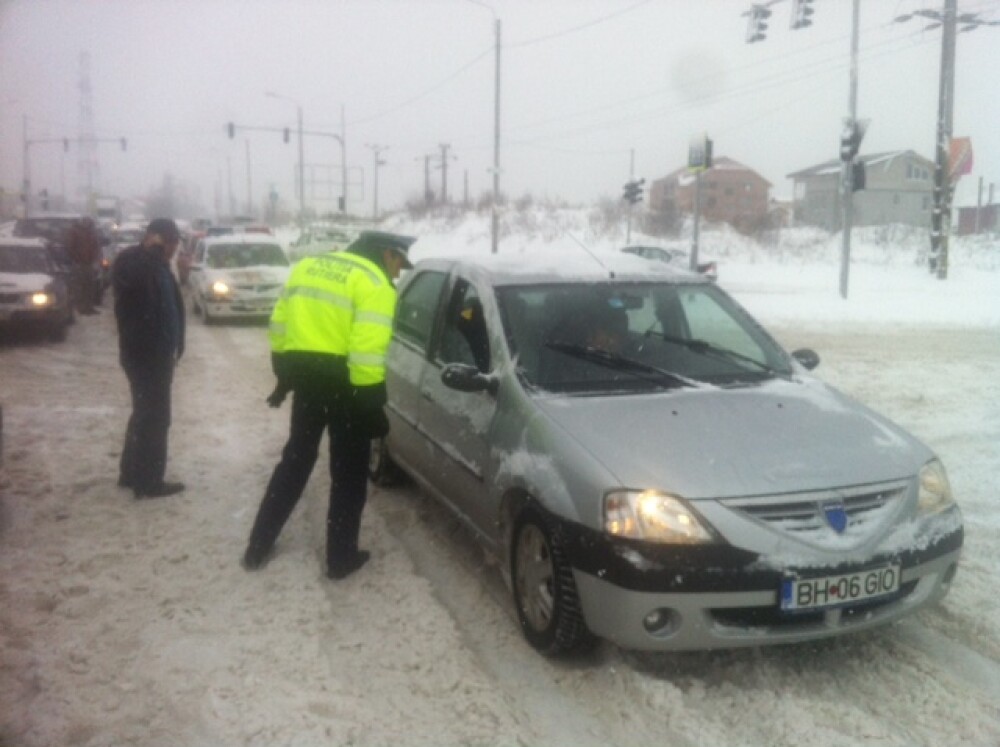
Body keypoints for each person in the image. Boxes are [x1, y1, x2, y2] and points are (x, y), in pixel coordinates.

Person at [242, 230, 415, 580]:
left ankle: (257, 546)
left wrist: (284, 376)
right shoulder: (374, 284)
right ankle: (340, 558)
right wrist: (373, 408)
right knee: (349, 473)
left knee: (295, 460)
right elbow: (366, 355)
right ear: (386, 253)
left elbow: (279, 325)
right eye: (399, 263)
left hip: (308, 382)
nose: (398, 273)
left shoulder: (308, 266)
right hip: (347, 387)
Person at [112, 218, 186, 499]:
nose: (173, 250)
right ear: (157, 239)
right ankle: (148, 482)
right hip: (144, 353)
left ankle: (131, 472)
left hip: (156, 352)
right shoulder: (132, 261)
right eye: (171, 244)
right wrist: (152, 251)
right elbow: (132, 281)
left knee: (144, 414)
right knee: (155, 417)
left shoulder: (157, 264)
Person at [68, 217, 101, 314]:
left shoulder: (91, 233)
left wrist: (95, 257)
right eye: (87, 223)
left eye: (90, 223)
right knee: (81, 287)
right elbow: (70, 247)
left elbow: (96, 246)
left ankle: (89, 307)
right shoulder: (75, 232)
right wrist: (76, 258)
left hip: (89, 263)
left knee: (89, 286)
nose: (89, 225)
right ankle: (82, 308)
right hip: (80, 263)